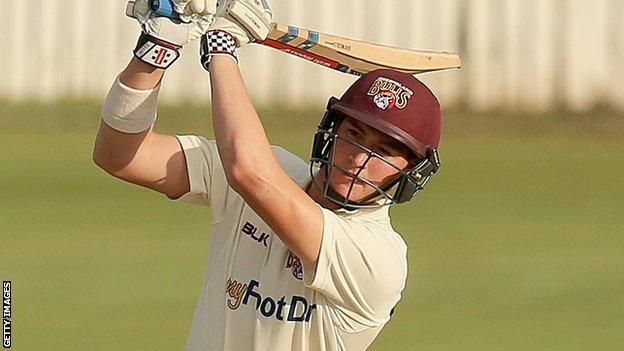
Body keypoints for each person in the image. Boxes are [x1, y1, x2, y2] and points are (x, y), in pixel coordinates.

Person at [93, 0, 442, 350]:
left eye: (383, 152)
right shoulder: (272, 169)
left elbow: (248, 172)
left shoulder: (378, 258)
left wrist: (221, 49)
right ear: (330, 131)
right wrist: (158, 47)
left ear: (412, 172)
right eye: (354, 136)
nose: (359, 161)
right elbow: (120, 155)